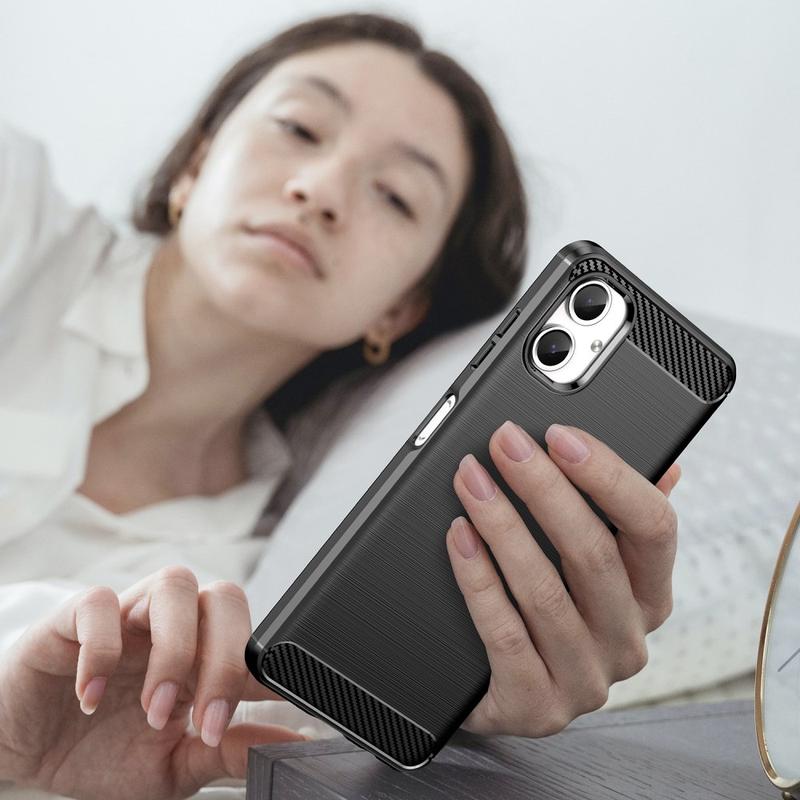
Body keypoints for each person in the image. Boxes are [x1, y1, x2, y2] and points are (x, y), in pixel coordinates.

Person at [0, 11, 681, 799]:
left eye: (394, 196)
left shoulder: (231, 611)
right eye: (297, 128)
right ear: (193, 165)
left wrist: (456, 718)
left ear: (400, 310)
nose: (320, 191)